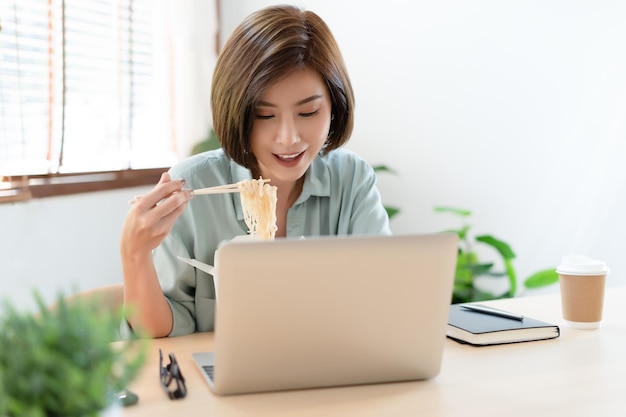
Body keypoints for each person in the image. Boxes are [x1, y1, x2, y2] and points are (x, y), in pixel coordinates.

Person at [119, 4, 391, 338]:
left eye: (308, 112)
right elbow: (159, 333)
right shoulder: (191, 186)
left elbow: (379, 301)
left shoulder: (352, 179)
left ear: (335, 105)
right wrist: (134, 253)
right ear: (237, 111)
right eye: (265, 116)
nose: (289, 138)